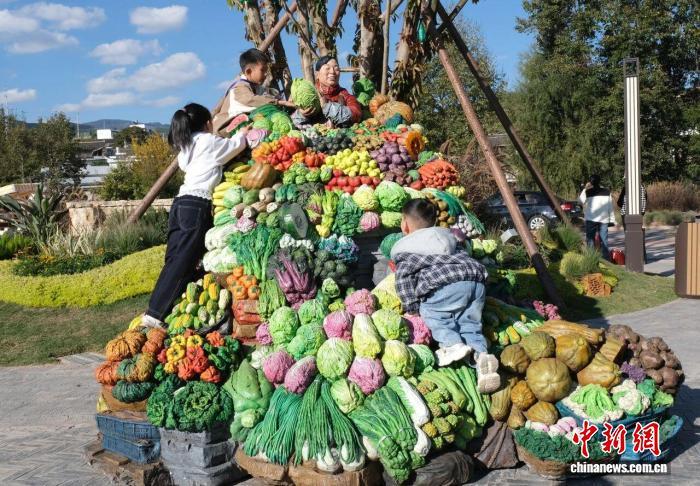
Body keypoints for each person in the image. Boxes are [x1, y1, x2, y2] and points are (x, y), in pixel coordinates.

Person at [141, 103, 249, 327]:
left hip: (180, 204)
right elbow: (235, 146)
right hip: (196, 205)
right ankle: (155, 314)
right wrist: (244, 133)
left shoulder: (186, 146)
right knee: (184, 260)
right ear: (208, 123)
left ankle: (162, 310)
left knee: (174, 258)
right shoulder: (209, 141)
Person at [391, 199, 500, 393]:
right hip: (475, 281)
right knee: (469, 323)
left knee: (432, 312)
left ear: (404, 224)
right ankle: (482, 357)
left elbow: (403, 280)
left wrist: (412, 307)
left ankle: (452, 345)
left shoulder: (406, 248)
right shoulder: (447, 238)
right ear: (434, 221)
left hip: (445, 284)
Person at [212, 48, 294, 133]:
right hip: (223, 130)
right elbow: (251, 100)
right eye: (262, 70)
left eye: (266, 70)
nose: (266, 74)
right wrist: (279, 102)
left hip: (241, 127)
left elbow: (267, 96)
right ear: (248, 71)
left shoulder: (254, 86)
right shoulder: (239, 87)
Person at [291, 56, 362, 128]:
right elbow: (293, 123)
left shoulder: (345, 95)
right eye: (327, 68)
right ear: (317, 74)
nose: (332, 72)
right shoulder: (308, 96)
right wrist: (302, 114)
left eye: (336, 69)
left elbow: (357, 114)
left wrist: (328, 107)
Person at [579, 174, 615, 260]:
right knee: (604, 241)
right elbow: (610, 206)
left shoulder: (588, 192)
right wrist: (612, 219)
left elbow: (580, 201)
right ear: (600, 181)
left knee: (590, 240)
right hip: (603, 219)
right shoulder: (607, 192)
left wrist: (584, 189)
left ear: (590, 182)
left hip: (591, 219)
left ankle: (591, 259)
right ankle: (606, 260)